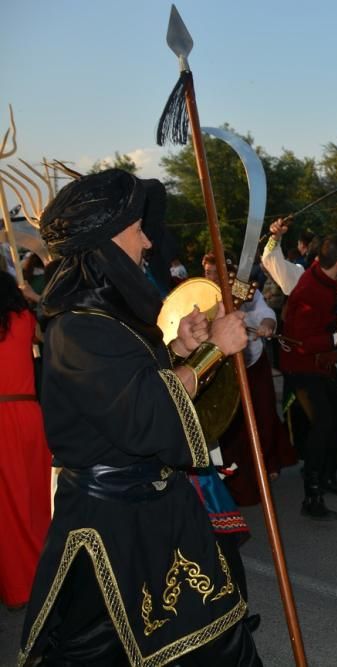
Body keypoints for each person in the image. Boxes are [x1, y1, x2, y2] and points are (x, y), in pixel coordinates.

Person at [19, 169, 258, 665]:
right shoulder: (79, 328)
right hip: (110, 522)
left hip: (153, 507)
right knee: (92, 651)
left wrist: (180, 347)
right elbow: (144, 411)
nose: (148, 240)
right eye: (136, 228)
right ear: (105, 242)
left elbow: (132, 384)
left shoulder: (104, 319)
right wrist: (213, 350)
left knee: (216, 641)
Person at [202, 254, 297, 504]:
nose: (210, 276)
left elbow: (265, 312)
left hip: (253, 365)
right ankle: (234, 481)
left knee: (262, 418)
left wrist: (266, 324)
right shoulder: (202, 295)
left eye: (214, 271)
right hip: (224, 372)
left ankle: (262, 469)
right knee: (231, 428)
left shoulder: (243, 291)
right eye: (207, 271)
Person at [281, 235, 337, 520]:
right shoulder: (309, 290)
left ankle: (327, 477)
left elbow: (326, 313)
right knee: (323, 425)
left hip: (321, 364)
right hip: (302, 367)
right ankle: (311, 496)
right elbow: (301, 341)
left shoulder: (325, 278)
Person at [0, 271, 49, 610]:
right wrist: (32, 296)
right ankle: (50, 576)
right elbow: (51, 333)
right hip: (31, 416)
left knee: (9, 508)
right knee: (37, 498)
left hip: (2, 419)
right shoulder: (23, 318)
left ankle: (20, 586)